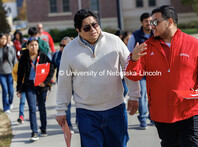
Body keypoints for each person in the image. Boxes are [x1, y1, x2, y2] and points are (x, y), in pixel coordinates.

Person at [125, 5, 198, 147]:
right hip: (162, 114)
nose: (151, 25)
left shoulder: (194, 44)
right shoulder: (145, 47)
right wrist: (134, 59)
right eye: (151, 22)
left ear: (170, 21)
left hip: (190, 111)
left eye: (156, 22)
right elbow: (134, 75)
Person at [56, 9, 140, 147]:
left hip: (115, 110)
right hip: (86, 113)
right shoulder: (70, 49)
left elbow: (129, 69)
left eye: (95, 24)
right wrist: (61, 110)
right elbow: (64, 81)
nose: (93, 30)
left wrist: (134, 96)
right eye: (87, 28)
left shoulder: (115, 41)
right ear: (78, 30)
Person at [17, 37, 54, 141]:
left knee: (42, 107)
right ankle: (34, 132)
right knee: (32, 108)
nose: (34, 47)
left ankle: (43, 128)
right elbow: (20, 74)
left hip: (42, 85)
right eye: (31, 45)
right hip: (29, 85)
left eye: (36, 45)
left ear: (38, 46)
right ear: (27, 46)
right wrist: (18, 88)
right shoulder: (24, 58)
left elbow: (51, 69)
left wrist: (46, 82)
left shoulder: (43, 56)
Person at [127, 12, 153, 129]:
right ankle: (143, 118)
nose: (149, 23)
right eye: (146, 21)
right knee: (142, 94)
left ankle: (153, 117)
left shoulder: (156, 33)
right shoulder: (135, 36)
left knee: (153, 95)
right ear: (141, 22)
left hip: (154, 71)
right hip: (141, 71)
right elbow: (129, 53)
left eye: (150, 21)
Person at [52, 36, 74, 133]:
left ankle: (80, 122)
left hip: (75, 82)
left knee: (80, 104)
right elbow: (51, 67)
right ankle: (69, 126)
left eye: (64, 45)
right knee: (67, 105)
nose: (62, 47)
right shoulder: (56, 55)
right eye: (61, 45)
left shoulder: (74, 54)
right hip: (63, 84)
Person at [0, 33, 17, 114]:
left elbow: (15, 60)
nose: (3, 40)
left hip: (10, 73)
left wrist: (16, 71)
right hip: (1, 74)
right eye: (2, 39)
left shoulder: (10, 49)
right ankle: (6, 107)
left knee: (11, 91)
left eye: (5, 39)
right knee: (5, 90)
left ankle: (10, 102)